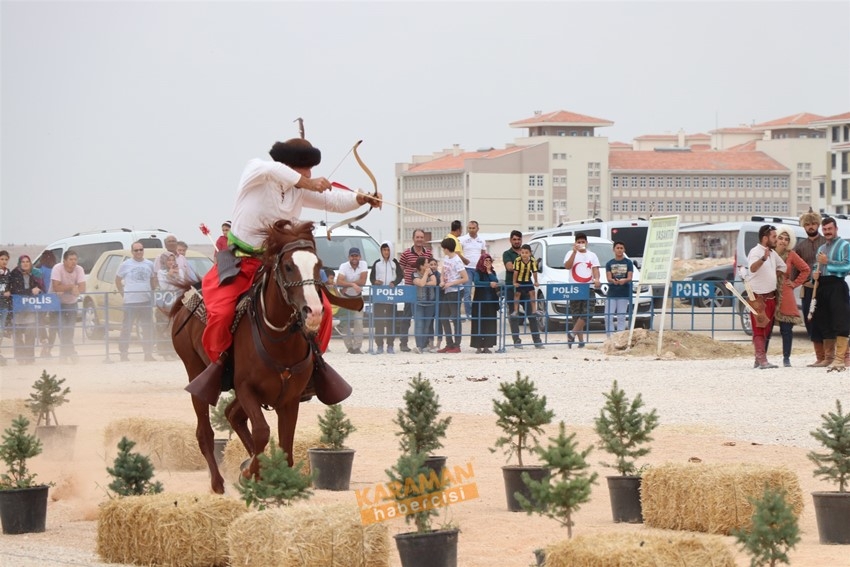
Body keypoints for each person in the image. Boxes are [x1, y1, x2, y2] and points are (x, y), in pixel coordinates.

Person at [194, 137, 381, 394]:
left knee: (322, 309)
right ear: (292, 167)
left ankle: (311, 367)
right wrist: (308, 183)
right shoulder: (257, 171)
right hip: (241, 261)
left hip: (276, 265)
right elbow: (275, 170)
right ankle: (222, 366)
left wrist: (362, 199)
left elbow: (334, 201)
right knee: (223, 313)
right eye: (306, 168)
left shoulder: (298, 190)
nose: (311, 174)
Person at [811, 217, 850, 371]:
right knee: (824, 321)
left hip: (837, 285)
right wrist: (814, 275)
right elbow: (817, 267)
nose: (827, 232)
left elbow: (847, 266)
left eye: (830, 229)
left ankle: (840, 358)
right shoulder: (821, 248)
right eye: (825, 229)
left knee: (840, 321)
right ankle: (829, 358)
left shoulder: (845, 245)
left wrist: (829, 262)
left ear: (836, 229)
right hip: (822, 286)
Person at [746, 224, 787, 369]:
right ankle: (762, 360)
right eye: (774, 237)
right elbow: (752, 268)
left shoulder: (772, 253)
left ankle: (759, 359)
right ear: (765, 238)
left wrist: (773, 275)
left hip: (770, 296)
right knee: (759, 328)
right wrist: (763, 259)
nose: (776, 239)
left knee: (766, 328)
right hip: (758, 297)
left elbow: (783, 267)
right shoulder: (756, 252)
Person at [793, 210, 827, 366]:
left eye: (813, 223)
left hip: (825, 288)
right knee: (810, 320)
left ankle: (830, 356)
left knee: (827, 320)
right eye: (807, 224)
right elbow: (794, 271)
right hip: (807, 289)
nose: (811, 226)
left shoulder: (827, 243)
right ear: (803, 226)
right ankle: (819, 357)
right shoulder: (800, 247)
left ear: (818, 224)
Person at [773, 226, 810, 367]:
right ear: (776, 238)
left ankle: (786, 358)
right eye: (781, 237)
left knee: (786, 329)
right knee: (766, 327)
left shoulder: (791, 255)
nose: (783, 241)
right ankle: (761, 357)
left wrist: (794, 284)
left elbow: (805, 269)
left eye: (786, 239)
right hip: (770, 292)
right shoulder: (769, 253)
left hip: (786, 293)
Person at [115, 242, 158, 362]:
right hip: (130, 302)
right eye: (136, 250)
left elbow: (152, 281)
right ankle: (123, 353)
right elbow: (118, 280)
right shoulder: (125, 264)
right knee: (127, 328)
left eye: (140, 250)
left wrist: (153, 290)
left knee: (147, 328)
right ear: (132, 252)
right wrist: (123, 293)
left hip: (145, 301)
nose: (139, 252)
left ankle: (148, 353)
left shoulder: (149, 264)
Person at [397, 229, 432, 352]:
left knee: (425, 317)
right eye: (417, 237)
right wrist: (407, 279)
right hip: (410, 288)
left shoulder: (428, 253)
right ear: (413, 238)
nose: (419, 239)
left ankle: (425, 343)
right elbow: (400, 269)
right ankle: (403, 343)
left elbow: (430, 268)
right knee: (406, 316)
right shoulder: (406, 253)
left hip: (425, 289)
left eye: (421, 237)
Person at [563, 232, 601, 347]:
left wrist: (597, 279)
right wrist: (574, 252)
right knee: (576, 314)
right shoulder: (570, 253)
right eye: (578, 242)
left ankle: (572, 333)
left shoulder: (592, 255)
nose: (581, 244)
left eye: (582, 242)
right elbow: (567, 266)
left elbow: (595, 269)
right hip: (575, 287)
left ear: (586, 243)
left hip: (588, 286)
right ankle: (580, 341)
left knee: (588, 312)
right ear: (575, 243)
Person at [50, 249, 86, 362]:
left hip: (71, 302)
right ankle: (72, 353)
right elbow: (56, 286)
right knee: (61, 329)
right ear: (64, 260)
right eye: (70, 259)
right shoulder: (57, 268)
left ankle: (64, 355)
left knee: (69, 329)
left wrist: (73, 289)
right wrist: (71, 287)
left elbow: (82, 287)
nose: (73, 262)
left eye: (75, 259)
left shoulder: (79, 269)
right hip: (56, 303)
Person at [9, 255, 44, 364]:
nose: (25, 263)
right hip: (17, 309)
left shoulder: (35, 274)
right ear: (19, 263)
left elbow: (42, 288)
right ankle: (20, 358)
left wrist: (38, 289)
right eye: (23, 262)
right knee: (18, 335)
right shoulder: (14, 274)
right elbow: (14, 290)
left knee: (30, 333)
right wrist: (30, 291)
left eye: (27, 261)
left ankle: (29, 357)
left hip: (30, 309)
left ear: (30, 263)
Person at [369, 241, 402, 354]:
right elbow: (371, 278)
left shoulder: (394, 263)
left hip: (391, 296)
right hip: (379, 296)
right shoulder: (377, 263)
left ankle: (390, 345)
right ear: (381, 251)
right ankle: (379, 345)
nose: (386, 252)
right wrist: (375, 282)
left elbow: (400, 275)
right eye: (384, 250)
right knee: (378, 321)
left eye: (388, 250)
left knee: (390, 321)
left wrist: (395, 282)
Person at [437, 238, 468, 353]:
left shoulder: (457, 260)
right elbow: (443, 272)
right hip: (447, 290)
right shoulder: (446, 258)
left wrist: (451, 283)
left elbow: (465, 278)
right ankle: (449, 343)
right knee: (443, 317)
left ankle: (457, 345)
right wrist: (442, 281)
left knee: (455, 318)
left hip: (455, 291)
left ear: (446, 248)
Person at [336, 247, 368, 354]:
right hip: (345, 297)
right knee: (345, 322)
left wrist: (348, 284)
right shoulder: (343, 266)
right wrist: (353, 284)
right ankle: (349, 347)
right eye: (352, 256)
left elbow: (363, 281)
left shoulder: (363, 264)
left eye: (356, 255)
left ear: (359, 256)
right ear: (349, 257)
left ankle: (357, 347)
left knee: (359, 322)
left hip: (357, 297)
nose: (354, 258)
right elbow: (338, 282)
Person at [155, 252, 184, 359]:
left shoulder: (180, 271)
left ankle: (173, 351)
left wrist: (176, 275)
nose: (171, 262)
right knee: (163, 327)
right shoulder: (161, 272)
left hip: (176, 301)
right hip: (165, 303)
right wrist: (169, 275)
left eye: (173, 260)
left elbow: (181, 284)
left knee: (174, 328)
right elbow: (164, 287)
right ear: (164, 261)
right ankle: (164, 352)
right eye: (169, 260)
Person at [470, 253, 500, 353]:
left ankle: (487, 346)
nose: (487, 263)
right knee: (479, 323)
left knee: (489, 324)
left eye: (489, 261)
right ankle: (478, 346)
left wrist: (489, 272)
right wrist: (488, 284)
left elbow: (495, 281)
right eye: (485, 261)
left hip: (491, 302)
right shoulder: (477, 272)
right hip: (480, 302)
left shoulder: (492, 272)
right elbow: (477, 282)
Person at [605, 241, 634, 338]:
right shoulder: (609, 263)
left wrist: (624, 280)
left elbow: (630, 277)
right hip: (612, 292)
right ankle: (610, 337)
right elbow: (608, 278)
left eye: (621, 248)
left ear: (624, 250)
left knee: (621, 316)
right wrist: (614, 281)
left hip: (623, 292)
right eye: (617, 248)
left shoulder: (628, 262)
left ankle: (620, 337)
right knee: (608, 316)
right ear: (614, 249)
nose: (619, 250)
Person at [459, 220, 487, 318]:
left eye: (473, 228)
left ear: (477, 228)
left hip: (478, 269)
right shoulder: (462, 239)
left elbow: (484, 254)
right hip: (467, 269)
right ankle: (469, 313)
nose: (471, 230)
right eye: (469, 228)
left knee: (480, 291)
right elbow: (458, 252)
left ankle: (480, 311)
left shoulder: (482, 240)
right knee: (467, 291)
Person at [503, 230, 524, 348]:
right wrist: (524, 262)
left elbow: (532, 265)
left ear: (521, 240)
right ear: (510, 240)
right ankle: (517, 340)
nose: (516, 241)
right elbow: (509, 267)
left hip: (525, 285)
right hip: (511, 287)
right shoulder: (507, 253)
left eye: (518, 239)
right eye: (514, 239)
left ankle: (537, 340)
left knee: (531, 313)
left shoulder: (526, 251)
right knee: (513, 314)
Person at [411, 256, 437, 353]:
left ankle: (423, 345)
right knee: (419, 325)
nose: (428, 265)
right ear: (421, 265)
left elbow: (434, 282)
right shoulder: (414, 274)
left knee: (427, 325)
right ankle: (419, 346)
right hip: (419, 302)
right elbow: (420, 283)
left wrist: (424, 281)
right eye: (427, 263)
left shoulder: (431, 272)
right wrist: (426, 274)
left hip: (430, 302)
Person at [512, 244, 539, 317]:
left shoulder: (533, 260)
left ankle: (534, 310)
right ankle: (515, 311)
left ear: (530, 253)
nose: (524, 255)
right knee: (517, 294)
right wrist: (514, 282)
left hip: (527, 279)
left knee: (532, 293)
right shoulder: (517, 260)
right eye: (523, 252)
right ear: (520, 253)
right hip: (519, 280)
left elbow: (534, 272)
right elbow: (515, 272)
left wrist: (536, 281)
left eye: (526, 253)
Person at [428, 257, 442, 352]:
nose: (433, 266)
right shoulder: (427, 275)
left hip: (439, 300)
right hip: (430, 301)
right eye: (431, 264)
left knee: (439, 322)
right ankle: (430, 343)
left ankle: (439, 343)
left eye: (435, 264)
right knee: (429, 322)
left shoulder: (440, 275)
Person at [0, 251, 10, 366]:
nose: (4, 261)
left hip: (4, 306)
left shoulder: (8, 273)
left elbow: (10, 287)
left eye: (6, 259)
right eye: (2, 259)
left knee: (1, 331)